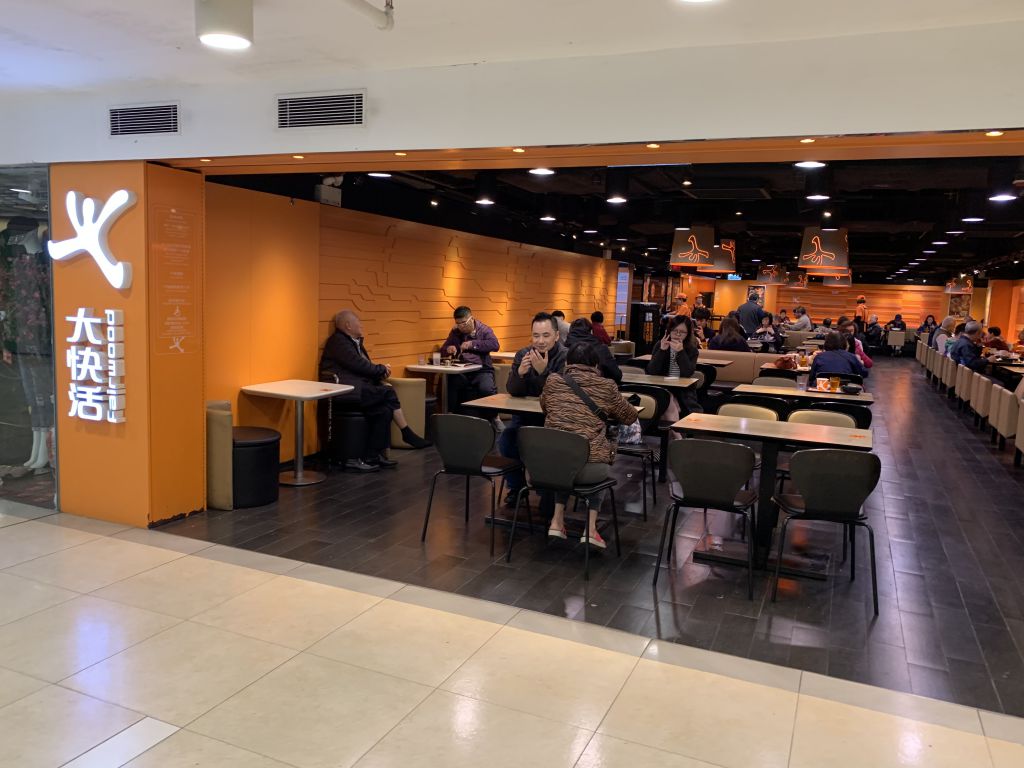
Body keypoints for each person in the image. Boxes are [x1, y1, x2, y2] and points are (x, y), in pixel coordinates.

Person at [540, 344, 639, 549]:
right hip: (588, 470)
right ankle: (591, 529)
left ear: (567, 363)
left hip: (550, 468)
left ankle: (557, 521)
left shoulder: (553, 381)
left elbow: (544, 405)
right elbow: (629, 416)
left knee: (565, 455)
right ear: (596, 365)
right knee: (596, 454)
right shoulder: (606, 386)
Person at [319, 310, 431, 472]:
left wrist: (380, 372)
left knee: (384, 410)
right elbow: (358, 365)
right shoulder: (338, 342)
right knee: (387, 392)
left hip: (356, 388)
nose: (361, 325)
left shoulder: (353, 342)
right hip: (343, 390)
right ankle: (406, 432)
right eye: (358, 322)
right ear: (348, 325)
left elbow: (363, 367)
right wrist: (381, 369)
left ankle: (372, 455)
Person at [498, 312, 568, 505]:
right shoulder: (523, 354)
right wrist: (519, 374)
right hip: (525, 417)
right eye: (536, 336)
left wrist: (543, 372)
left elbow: (561, 393)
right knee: (506, 440)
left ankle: (548, 491)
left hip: (554, 421)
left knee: (545, 448)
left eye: (546, 335)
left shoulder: (565, 357)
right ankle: (517, 488)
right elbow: (513, 390)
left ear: (556, 336)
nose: (540, 341)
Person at [441, 306, 500, 412]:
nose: (461, 327)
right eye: (458, 324)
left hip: (482, 370)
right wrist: (448, 349)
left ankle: (494, 417)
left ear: (471, 319)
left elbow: (495, 345)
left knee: (486, 389)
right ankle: (450, 414)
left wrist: (472, 344)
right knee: (451, 381)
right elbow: (442, 350)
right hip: (462, 371)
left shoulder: (484, 330)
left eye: (464, 323)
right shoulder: (455, 332)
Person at [648, 315, 703, 415]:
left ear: (688, 334)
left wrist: (681, 352)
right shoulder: (660, 345)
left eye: (682, 332)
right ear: (669, 331)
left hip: (682, 390)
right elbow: (652, 371)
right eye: (674, 331)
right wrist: (662, 351)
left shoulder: (691, 349)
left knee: (689, 409)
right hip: (661, 387)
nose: (677, 334)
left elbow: (687, 373)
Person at [567, 317, 621, 383]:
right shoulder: (601, 349)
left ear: (570, 331)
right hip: (598, 387)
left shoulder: (562, 349)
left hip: (566, 387)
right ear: (591, 331)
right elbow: (616, 375)